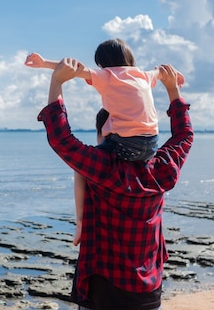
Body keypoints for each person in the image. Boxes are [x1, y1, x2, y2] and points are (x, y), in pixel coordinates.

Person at [37, 57, 193, 310]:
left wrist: (56, 82)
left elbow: (62, 139)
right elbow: (184, 135)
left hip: (104, 290)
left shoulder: (103, 167)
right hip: (149, 291)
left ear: (108, 131)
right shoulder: (162, 168)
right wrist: (172, 89)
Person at [26, 38, 185, 245]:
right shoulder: (144, 76)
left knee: (81, 168)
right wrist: (175, 85)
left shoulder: (107, 76)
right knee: (84, 166)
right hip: (151, 145)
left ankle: (80, 221)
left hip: (123, 148)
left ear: (102, 63)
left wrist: (45, 65)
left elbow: (72, 69)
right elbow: (165, 75)